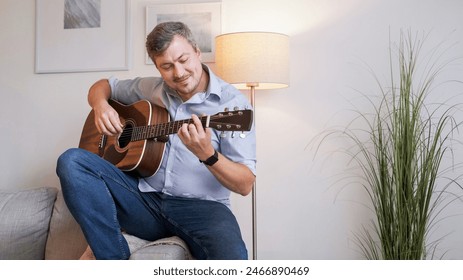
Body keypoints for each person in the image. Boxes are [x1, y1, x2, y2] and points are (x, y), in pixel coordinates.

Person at [56, 21, 256, 260]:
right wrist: (100, 106)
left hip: (204, 209)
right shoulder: (152, 88)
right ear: (158, 68)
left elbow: (245, 184)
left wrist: (208, 155)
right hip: (144, 201)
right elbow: (104, 86)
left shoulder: (233, 106)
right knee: (71, 161)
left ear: (197, 52)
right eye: (167, 66)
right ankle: (112, 259)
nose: (179, 73)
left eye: (183, 60)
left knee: (234, 260)